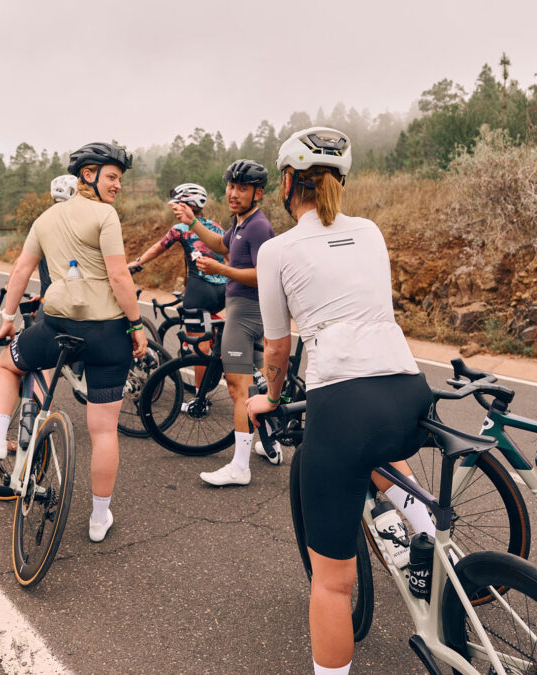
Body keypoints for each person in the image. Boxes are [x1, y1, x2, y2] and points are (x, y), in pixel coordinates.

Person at [246, 127, 432, 675]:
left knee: (332, 583)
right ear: (339, 183)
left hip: (344, 401)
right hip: (406, 389)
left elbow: (277, 344)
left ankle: (413, 532)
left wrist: (269, 396)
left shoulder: (277, 250)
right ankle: (423, 528)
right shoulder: (371, 231)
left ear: (286, 183)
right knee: (376, 451)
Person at [0, 142, 146, 543]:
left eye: (120, 179)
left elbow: (20, 269)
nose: (118, 185)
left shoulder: (46, 218)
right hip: (107, 335)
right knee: (104, 432)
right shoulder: (105, 215)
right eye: (112, 177)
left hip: (54, 328)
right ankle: (99, 518)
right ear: (88, 174)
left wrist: (6, 319)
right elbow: (120, 278)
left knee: (7, 365)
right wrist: (136, 325)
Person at [171, 161, 275, 486]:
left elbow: (263, 274)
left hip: (245, 312)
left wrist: (222, 271)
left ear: (258, 192)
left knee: (237, 389)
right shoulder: (241, 222)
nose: (233, 193)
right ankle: (270, 446)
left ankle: (239, 467)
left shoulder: (258, 226)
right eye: (231, 186)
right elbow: (221, 246)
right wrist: (193, 222)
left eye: (242, 188)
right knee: (260, 386)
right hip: (245, 309)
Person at [129, 183, 227, 315]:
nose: (175, 209)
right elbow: (230, 257)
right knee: (210, 327)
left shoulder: (180, 229)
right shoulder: (217, 228)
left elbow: (157, 249)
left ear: (190, 206)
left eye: (179, 204)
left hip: (200, 290)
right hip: (223, 292)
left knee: (194, 334)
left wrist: (138, 262)